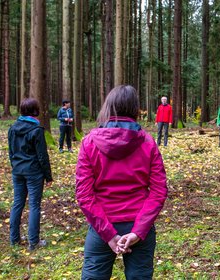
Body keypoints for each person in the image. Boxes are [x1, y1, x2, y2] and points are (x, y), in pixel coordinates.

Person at [76, 85, 168, 279]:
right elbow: (158, 191)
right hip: (136, 224)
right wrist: (138, 231)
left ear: (108, 106)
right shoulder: (148, 142)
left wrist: (108, 233)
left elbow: (84, 194)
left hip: (103, 226)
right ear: (135, 108)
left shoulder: (89, 142)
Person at [8, 98, 53, 251]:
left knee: (17, 203)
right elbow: (42, 156)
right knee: (34, 205)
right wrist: (48, 176)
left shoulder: (13, 128)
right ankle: (33, 242)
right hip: (33, 172)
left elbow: (11, 152)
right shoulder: (37, 130)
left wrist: (15, 166)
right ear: (35, 110)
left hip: (18, 171)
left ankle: (14, 239)